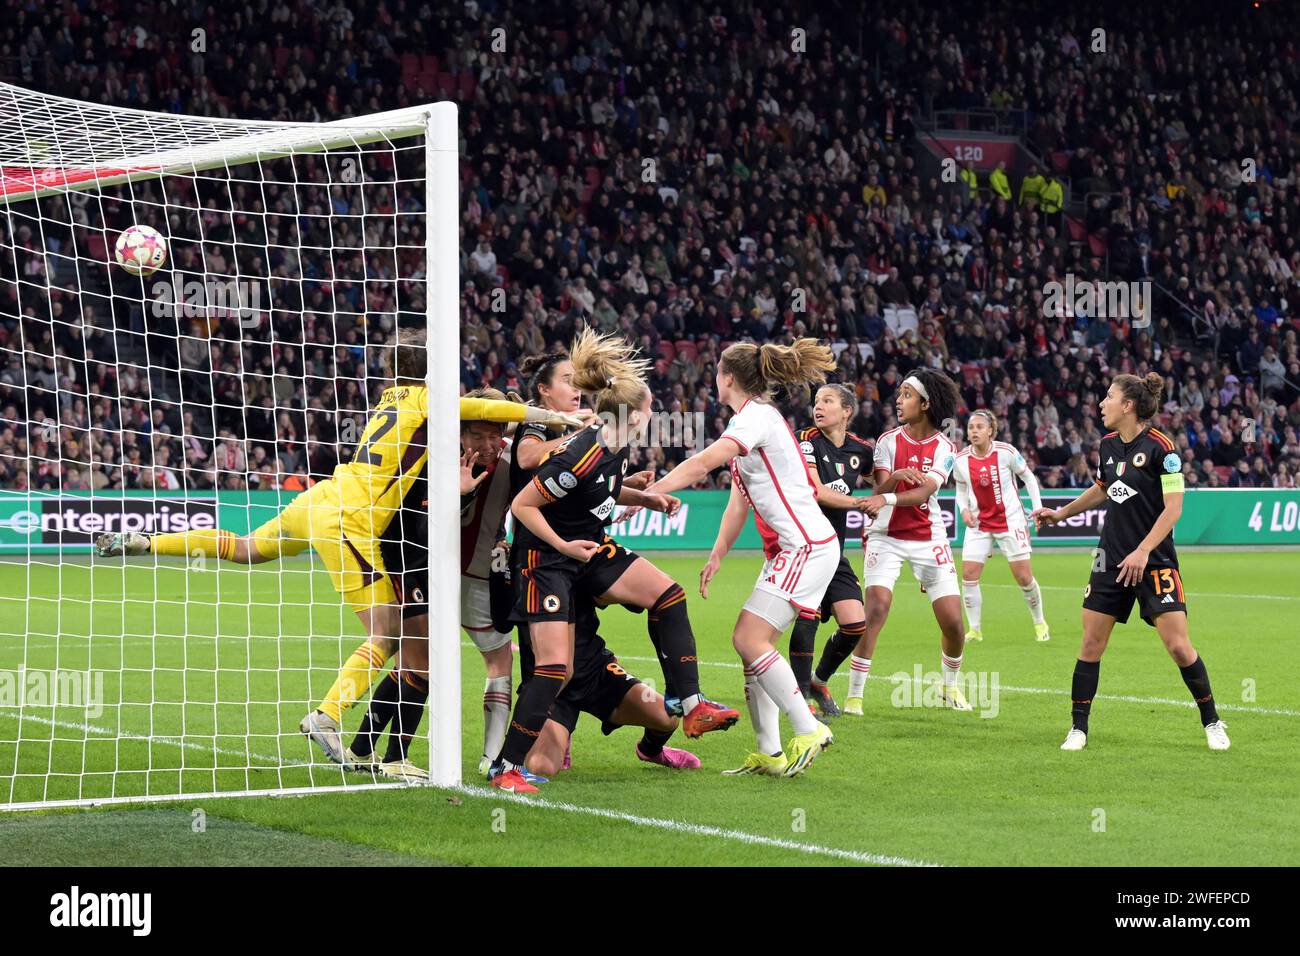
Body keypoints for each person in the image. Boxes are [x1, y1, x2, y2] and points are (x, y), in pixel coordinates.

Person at [94, 333, 583, 765]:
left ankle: (147, 540)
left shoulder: (391, 398)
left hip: (321, 497)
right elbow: (490, 409)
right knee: (385, 634)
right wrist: (552, 417)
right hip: (354, 517)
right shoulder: (431, 402)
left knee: (243, 548)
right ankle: (327, 714)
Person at [490, 330, 738, 794]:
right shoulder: (578, 452)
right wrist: (563, 548)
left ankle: (691, 700)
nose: (652, 420)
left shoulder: (613, 445)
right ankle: (504, 766)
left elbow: (600, 492)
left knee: (668, 595)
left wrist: (644, 497)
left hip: (587, 548)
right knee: (552, 670)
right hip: (547, 559)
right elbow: (523, 506)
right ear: (630, 414)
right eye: (647, 413)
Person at [652, 339, 839, 778]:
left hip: (804, 548)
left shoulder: (755, 418)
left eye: (717, 373)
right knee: (752, 645)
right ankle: (769, 753)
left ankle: (809, 727)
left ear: (728, 378)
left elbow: (701, 464)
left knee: (749, 640)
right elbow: (740, 503)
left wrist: (650, 493)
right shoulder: (753, 422)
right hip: (793, 550)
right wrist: (717, 555)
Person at [1031, 373, 1229, 752]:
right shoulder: (1107, 445)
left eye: (1108, 397)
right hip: (1110, 559)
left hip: (1155, 560)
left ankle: (1212, 721)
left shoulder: (1162, 449)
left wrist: (1142, 551)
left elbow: (1174, 511)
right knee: (1091, 643)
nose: (1101, 404)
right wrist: (1062, 513)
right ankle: (1078, 729)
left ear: (1128, 406)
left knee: (1178, 646)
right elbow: (1105, 488)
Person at [853, 368, 967, 715]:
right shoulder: (888, 441)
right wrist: (893, 480)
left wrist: (887, 497)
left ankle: (950, 687)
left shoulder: (946, 447)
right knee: (875, 609)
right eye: (900, 394)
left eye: (906, 395)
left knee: (953, 623)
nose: (898, 400)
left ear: (926, 403)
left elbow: (926, 491)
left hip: (927, 536)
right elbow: (880, 489)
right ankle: (854, 696)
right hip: (885, 536)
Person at [789, 384, 876, 717]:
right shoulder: (806, 439)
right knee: (806, 617)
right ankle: (799, 700)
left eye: (827, 401)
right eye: (815, 401)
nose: (818, 406)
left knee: (855, 624)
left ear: (847, 411)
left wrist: (892, 481)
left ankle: (819, 681)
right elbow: (817, 491)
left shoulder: (861, 450)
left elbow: (878, 482)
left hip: (835, 551)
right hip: (804, 546)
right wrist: (860, 502)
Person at [952, 410, 1050, 643]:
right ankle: (975, 630)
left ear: (990, 431)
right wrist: (964, 509)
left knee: (1024, 577)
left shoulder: (1007, 453)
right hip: (979, 524)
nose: (973, 431)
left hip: (1011, 521)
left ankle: (1039, 622)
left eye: (979, 427)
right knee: (968, 575)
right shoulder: (961, 460)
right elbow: (961, 489)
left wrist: (1037, 508)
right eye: (970, 427)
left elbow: (1029, 479)